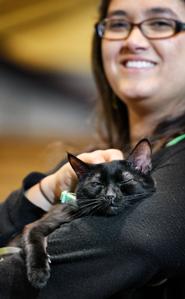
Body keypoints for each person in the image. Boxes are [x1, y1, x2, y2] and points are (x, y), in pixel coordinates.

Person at [1, 0, 185, 298]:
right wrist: (45, 191)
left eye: (161, 23)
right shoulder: (95, 163)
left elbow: (136, 240)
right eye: (118, 24)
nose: (133, 41)